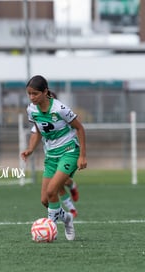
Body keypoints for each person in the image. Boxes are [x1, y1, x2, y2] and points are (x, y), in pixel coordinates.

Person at [21, 75, 87, 241]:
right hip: (51, 156)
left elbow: (80, 128)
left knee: (52, 191)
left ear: (45, 92)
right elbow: (38, 129)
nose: (31, 97)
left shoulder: (60, 108)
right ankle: (67, 218)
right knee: (45, 200)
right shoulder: (32, 109)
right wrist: (30, 149)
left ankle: (49, 232)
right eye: (29, 94)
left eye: (35, 93)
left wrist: (82, 156)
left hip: (69, 152)